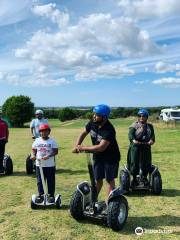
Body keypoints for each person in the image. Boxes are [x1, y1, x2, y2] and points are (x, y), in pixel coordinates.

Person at [72, 104, 120, 202]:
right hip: (98, 156)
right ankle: (93, 201)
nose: (94, 116)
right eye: (94, 114)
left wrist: (83, 148)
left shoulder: (109, 130)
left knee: (109, 180)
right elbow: (83, 133)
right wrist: (77, 146)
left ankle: (109, 204)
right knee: (97, 180)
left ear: (104, 117)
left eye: (97, 114)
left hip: (111, 157)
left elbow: (101, 147)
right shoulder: (92, 122)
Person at [127, 108, 155, 186]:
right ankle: (134, 178)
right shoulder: (134, 125)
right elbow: (130, 134)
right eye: (140, 116)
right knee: (134, 162)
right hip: (135, 146)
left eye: (143, 116)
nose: (141, 117)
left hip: (146, 146)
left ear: (147, 117)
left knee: (146, 162)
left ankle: (145, 178)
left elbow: (152, 136)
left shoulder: (150, 126)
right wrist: (133, 140)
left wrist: (152, 141)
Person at [31, 123, 58, 203]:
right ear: (40, 132)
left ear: (49, 132)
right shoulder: (37, 140)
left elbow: (55, 151)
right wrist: (33, 155)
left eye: (46, 131)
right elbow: (33, 149)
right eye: (42, 131)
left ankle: (51, 195)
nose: (44, 133)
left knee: (50, 180)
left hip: (50, 165)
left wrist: (49, 156)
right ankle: (41, 195)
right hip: (39, 164)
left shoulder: (52, 141)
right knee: (40, 181)